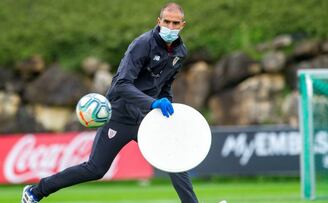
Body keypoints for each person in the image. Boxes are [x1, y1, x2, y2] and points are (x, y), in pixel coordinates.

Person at [21, 2, 198, 203]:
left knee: (174, 159)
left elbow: (165, 85)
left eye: (175, 23)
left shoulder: (180, 52)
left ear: (182, 25)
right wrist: (152, 103)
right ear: (159, 21)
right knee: (95, 169)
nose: (170, 27)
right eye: (166, 22)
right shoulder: (142, 44)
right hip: (120, 115)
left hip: (148, 118)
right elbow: (121, 85)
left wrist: (167, 106)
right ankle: (36, 191)